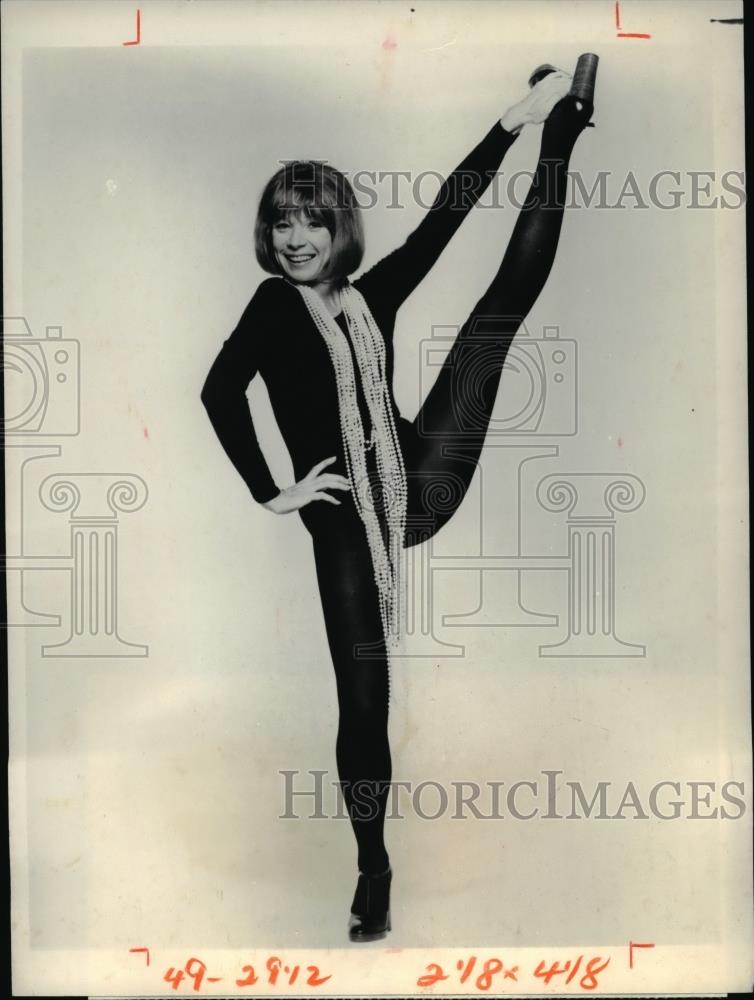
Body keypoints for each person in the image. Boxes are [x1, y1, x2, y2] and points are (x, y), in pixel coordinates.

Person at [201, 67, 594, 943]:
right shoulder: (273, 306)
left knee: (496, 316)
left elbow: (444, 218)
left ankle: (562, 139)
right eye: (281, 221)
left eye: (312, 220)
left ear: (339, 227)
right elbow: (219, 391)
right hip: (348, 518)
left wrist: (514, 121)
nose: (296, 237)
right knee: (363, 701)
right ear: (267, 233)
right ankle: (374, 868)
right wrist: (275, 491)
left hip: (419, 478)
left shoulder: (368, 297)